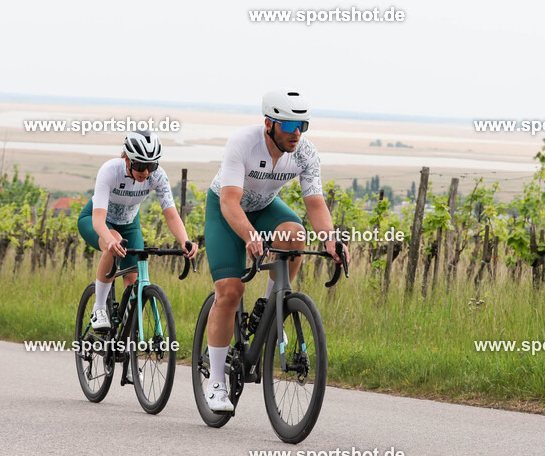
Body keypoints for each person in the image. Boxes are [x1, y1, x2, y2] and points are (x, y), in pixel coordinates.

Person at [201, 90, 345, 412]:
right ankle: (215, 382)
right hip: (227, 208)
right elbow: (229, 201)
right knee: (230, 290)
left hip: (265, 206)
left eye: (303, 125)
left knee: (296, 236)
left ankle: (271, 303)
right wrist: (251, 236)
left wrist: (331, 241)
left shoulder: (305, 153)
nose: (297, 133)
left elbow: (315, 203)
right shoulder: (243, 143)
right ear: (269, 124)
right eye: (290, 125)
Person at [77, 130, 198, 335]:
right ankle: (98, 309)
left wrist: (185, 241)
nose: (146, 172)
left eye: (151, 165)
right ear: (127, 158)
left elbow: (171, 214)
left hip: (130, 225)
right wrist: (109, 239)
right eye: (140, 165)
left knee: (135, 282)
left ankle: (130, 340)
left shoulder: (157, 176)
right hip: (96, 220)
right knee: (113, 241)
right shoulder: (110, 170)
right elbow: (98, 219)